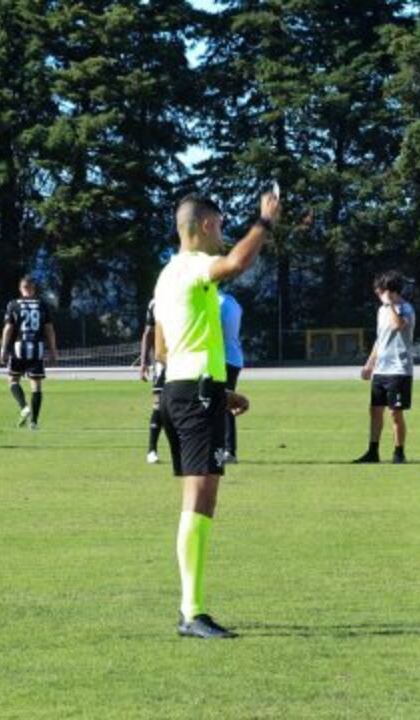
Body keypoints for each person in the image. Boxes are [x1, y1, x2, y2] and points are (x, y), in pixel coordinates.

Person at [152, 190, 278, 639]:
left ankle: (191, 607)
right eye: (221, 226)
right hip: (195, 396)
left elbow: (167, 348)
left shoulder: (166, 275)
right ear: (205, 225)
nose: (224, 235)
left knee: (197, 498)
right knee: (200, 500)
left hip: (183, 391)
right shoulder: (192, 266)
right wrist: (264, 222)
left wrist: (221, 393)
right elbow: (237, 265)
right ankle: (193, 611)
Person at [355, 271, 416, 464]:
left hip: (399, 370)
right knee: (374, 410)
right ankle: (372, 452)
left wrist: (390, 304)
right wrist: (369, 364)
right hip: (381, 370)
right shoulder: (381, 310)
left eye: (379, 290)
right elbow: (380, 340)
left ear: (389, 291)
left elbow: (398, 326)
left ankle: (399, 453)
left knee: (395, 413)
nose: (377, 293)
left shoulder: (406, 309)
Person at [0, 277, 57, 429]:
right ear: (33, 288)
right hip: (37, 349)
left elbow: (8, 328)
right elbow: (49, 329)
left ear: (21, 288)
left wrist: (3, 349)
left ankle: (24, 408)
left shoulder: (13, 304)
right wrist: (53, 349)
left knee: (12, 380)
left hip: (19, 348)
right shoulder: (43, 304)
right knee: (36, 386)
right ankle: (34, 422)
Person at [219, 290, 244, 464]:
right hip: (235, 357)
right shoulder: (232, 301)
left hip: (221, 358)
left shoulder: (215, 303)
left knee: (221, 404)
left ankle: (227, 450)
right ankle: (229, 449)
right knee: (226, 404)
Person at [140, 299, 165, 464]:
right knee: (158, 404)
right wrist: (143, 362)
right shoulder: (156, 303)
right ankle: (152, 450)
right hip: (162, 362)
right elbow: (148, 333)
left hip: (185, 361)